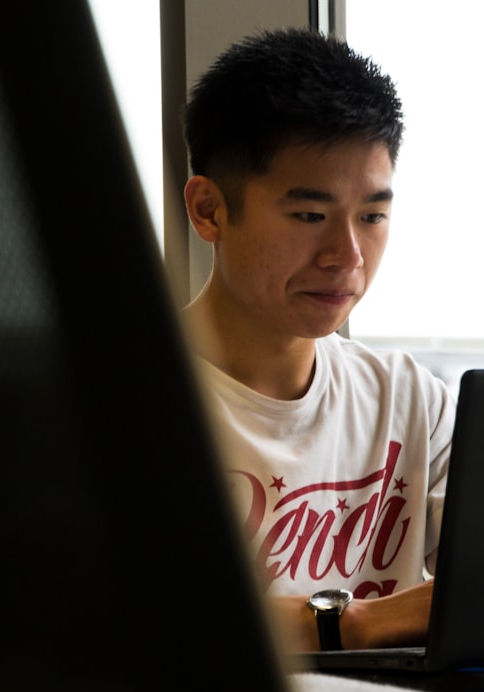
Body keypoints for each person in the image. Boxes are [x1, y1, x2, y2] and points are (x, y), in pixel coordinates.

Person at [180, 27, 455, 654]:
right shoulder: (105, 402)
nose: (347, 255)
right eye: (310, 215)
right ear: (208, 210)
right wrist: (351, 624)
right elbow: (122, 623)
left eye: (373, 216)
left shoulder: (412, 402)